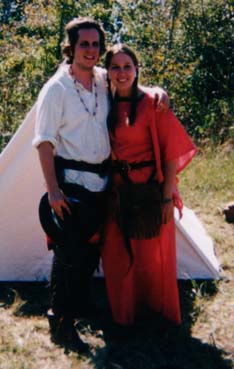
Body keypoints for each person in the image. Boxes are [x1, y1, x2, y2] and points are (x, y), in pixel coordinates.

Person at [32, 18, 168, 352]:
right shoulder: (56, 89)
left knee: (91, 249)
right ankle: (59, 321)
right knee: (68, 252)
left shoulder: (103, 79)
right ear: (70, 48)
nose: (90, 50)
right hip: (71, 183)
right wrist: (53, 190)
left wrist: (158, 93)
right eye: (84, 44)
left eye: (95, 45)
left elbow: (130, 83)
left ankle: (79, 307)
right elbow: (44, 142)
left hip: (103, 182)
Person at [101, 44, 197, 330]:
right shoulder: (101, 102)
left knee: (153, 257)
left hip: (150, 192)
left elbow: (170, 153)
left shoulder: (154, 103)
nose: (121, 72)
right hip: (117, 191)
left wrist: (166, 198)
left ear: (136, 69)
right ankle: (125, 316)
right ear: (107, 72)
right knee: (117, 254)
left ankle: (157, 314)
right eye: (115, 67)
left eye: (127, 66)